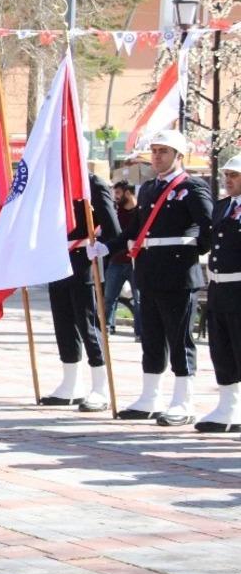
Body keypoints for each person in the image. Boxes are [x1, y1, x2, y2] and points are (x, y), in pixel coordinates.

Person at [87, 130, 213, 426]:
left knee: (179, 337)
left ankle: (183, 400)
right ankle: (150, 396)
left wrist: (189, 247)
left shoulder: (192, 187)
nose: (157, 156)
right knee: (152, 337)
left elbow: (207, 226)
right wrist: (110, 246)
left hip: (178, 273)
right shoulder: (148, 189)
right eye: (155, 151)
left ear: (178, 156)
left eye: (164, 151)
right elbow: (136, 230)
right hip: (149, 272)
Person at [39, 173, 120, 412]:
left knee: (89, 324)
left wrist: (99, 246)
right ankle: (71, 382)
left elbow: (113, 228)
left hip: (84, 262)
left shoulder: (92, 183)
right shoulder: (52, 182)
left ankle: (99, 386)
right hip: (58, 261)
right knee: (63, 323)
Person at [195, 155, 241, 433]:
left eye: (234, 175)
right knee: (221, 348)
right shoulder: (222, 207)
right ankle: (228, 406)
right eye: (226, 174)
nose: (228, 179)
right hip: (219, 287)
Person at [103, 180, 141, 339]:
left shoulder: (141, 212)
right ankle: (107, 327)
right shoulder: (115, 212)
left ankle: (140, 332)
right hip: (116, 261)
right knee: (109, 297)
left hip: (135, 262)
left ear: (127, 193)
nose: (115, 197)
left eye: (118, 193)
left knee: (139, 298)